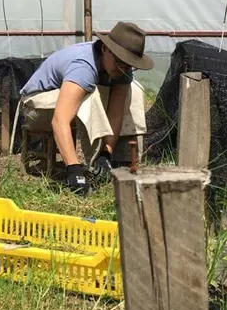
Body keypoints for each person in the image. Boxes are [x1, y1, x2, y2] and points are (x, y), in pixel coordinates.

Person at [19, 21, 154, 195]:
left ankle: (112, 161)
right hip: (35, 107)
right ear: (105, 49)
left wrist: (108, 152)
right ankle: (89, 167)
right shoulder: (84, 66)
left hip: (64, 104)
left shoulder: (122, 69)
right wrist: (74, 171)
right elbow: (59, 121)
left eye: (128, 65)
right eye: (119, 62)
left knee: (133, 90)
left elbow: (115, 112)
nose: (123, 69)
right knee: (90, 95)